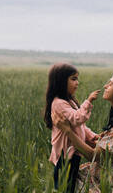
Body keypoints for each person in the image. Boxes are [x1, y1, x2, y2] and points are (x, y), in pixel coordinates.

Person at [44, 63, 101, 192]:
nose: (77, 83)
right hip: (65, 156)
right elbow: (77, 118)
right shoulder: (58, 103)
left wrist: (92, 136)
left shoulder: (69, 101)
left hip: (73, 154)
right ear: (61, 81)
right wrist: (88, 101)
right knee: (64, 186)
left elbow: (80, 126)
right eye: (73, 79)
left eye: (77, 79)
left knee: (70, 186)